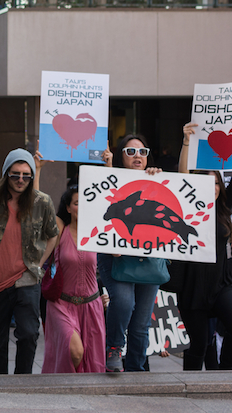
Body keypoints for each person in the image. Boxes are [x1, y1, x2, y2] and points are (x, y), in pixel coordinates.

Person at [0, 149, 59, 375]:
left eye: (26, 175)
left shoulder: (42, 202)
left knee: (29, 333)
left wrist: (39, 263)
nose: (21, 180)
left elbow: (53, 234)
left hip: (26, 278)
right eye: (15, 174)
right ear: (5, 173)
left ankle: (23, 382)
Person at [99, 134, 163, 372]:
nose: (137, 156)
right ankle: (114, 348)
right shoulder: (109, 180)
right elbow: (100, 211)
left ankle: (137, 369)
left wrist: (161, 178)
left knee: (141, 324)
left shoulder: (157, 180)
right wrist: (107, 166)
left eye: (142, 152)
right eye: (131, 152)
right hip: (115, 257)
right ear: (120, 156)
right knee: (124, 302)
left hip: (148, 259)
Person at [176, 122, 232, 370]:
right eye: (208, 183)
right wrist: (187, 141)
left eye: (217, 183)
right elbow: (183, 177)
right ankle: (188, 387)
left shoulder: (225, 214)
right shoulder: (189, 210)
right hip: (193, 289)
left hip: (221, 287)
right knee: (199, 345)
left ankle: (224, 372)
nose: (213, 188)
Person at [41, 185, 106, 373]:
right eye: (77, 203)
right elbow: (40, 210)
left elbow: (117, 254)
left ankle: (79, 395)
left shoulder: (98, 231)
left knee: (91, 360)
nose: (82, 206)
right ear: (68, 208)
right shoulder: (61, 228)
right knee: (76, 351)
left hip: (91, 306)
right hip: (62, 304)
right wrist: (37, 170)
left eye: (86, 202)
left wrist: (109, 167)